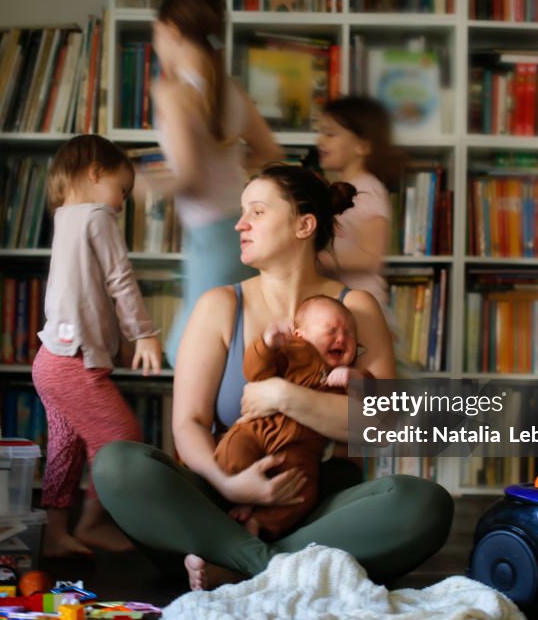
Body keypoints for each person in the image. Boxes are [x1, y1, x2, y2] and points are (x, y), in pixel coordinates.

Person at [93, 164, 453, 590]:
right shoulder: (220, 305)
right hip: (220, 505)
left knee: (424, 503)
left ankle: (240, 566)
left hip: (317, 507)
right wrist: (232, 484)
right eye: (243, 212)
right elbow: (188, 423)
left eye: (258, 212)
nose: (240, 224)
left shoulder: (356, 308)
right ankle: (274, 566)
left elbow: (379, 424)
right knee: (118, 465)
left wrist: (282, 395)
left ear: (304, 224)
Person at [33, 134, 163, 558]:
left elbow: (86, 300)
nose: (121, 202)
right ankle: (94, 521)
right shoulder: (98, 216)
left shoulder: (66, 218)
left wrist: (117, 345)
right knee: (121, 437)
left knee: (65, 453)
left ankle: (55, 536)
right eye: (121, 190)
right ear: (94, 172)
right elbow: (119, 280)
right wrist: (143, 333)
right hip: (71, 362)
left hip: (50, 360)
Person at [143, 0, 284, 365]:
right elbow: (270, 152)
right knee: (234, 344)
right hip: (245, 228)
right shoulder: (232, 92)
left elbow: (191, 178)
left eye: (155, 34)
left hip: (210, 236)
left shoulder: (170, 93)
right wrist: (236, 169)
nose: (156, 45)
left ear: (171, 30)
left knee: (190, 353)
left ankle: (197, 426)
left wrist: (140, 184)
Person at [216, 294, 372, 541]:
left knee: (303, 491)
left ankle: (259, 523)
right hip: (257, 429)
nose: (341, 338)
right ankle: (240, 502)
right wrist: (266, 345)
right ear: (300, 336)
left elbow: (371, 410)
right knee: (232, 451)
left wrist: (355, 379)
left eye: (349, 334)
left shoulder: (343, 374)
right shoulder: (289, 354)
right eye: (331, 330)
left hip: (300, 448)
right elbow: (256, 372)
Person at [315, 96, 407, 308]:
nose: (320, 140)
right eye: (320, 132)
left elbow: (369, 257)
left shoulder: (367, 191)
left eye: (330, 134)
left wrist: (317, 259)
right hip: (339, 305)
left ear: (363, 146)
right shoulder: (337, 189)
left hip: (362, 310)